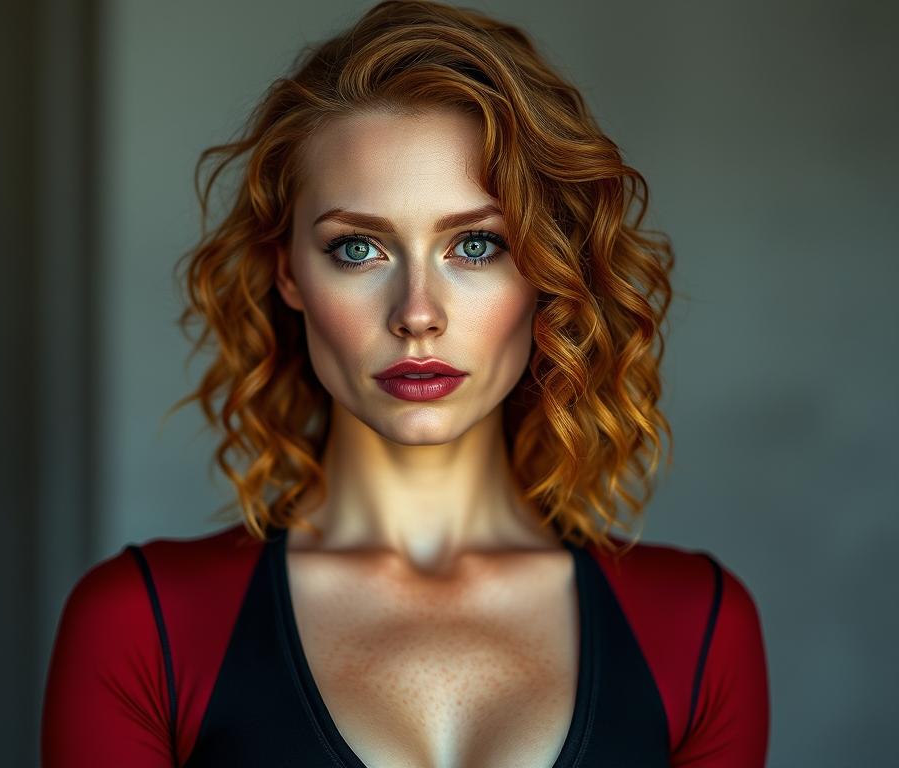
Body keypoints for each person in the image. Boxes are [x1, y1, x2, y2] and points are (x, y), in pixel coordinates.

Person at [41, 1, 770, 766]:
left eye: (477, 245)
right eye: (358, 249)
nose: (417, 313)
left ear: (550, 269)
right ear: (289, 271)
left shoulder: (697, 628)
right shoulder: (141, 627)